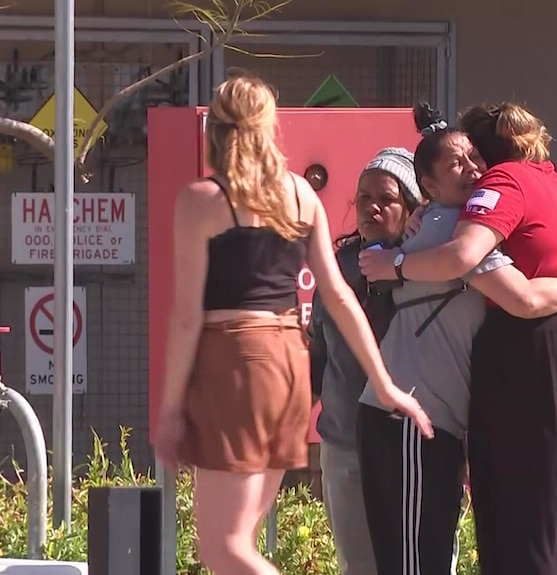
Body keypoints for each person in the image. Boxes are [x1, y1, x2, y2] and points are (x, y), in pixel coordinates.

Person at [153, 73, 432, 575]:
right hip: (288, 359)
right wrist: (385, 383)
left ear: (216, 130)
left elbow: (187, 315)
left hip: (235, 359)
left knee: (224, 548)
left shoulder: (202, 199)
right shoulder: (301, 195)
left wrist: (171, 406)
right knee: (243, 543)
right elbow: (341, 297)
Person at [358, 102, 557, 575]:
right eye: (457, 162)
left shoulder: (493, 201)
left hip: (446, 415)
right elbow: (516, 293)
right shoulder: (463, 218)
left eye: (474, 157)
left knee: (505, 541)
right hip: (415, 416)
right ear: (429, 188)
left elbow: (519, 289)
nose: (473, 169)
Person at [308, 147, 423, 575]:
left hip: (407, 443)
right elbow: (317, 352)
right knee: (358, 565)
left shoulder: (428, 267)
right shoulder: (336, 269)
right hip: (343, 441)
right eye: (362, 197)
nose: (371, 206)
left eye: (386, 198)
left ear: (411, 208)